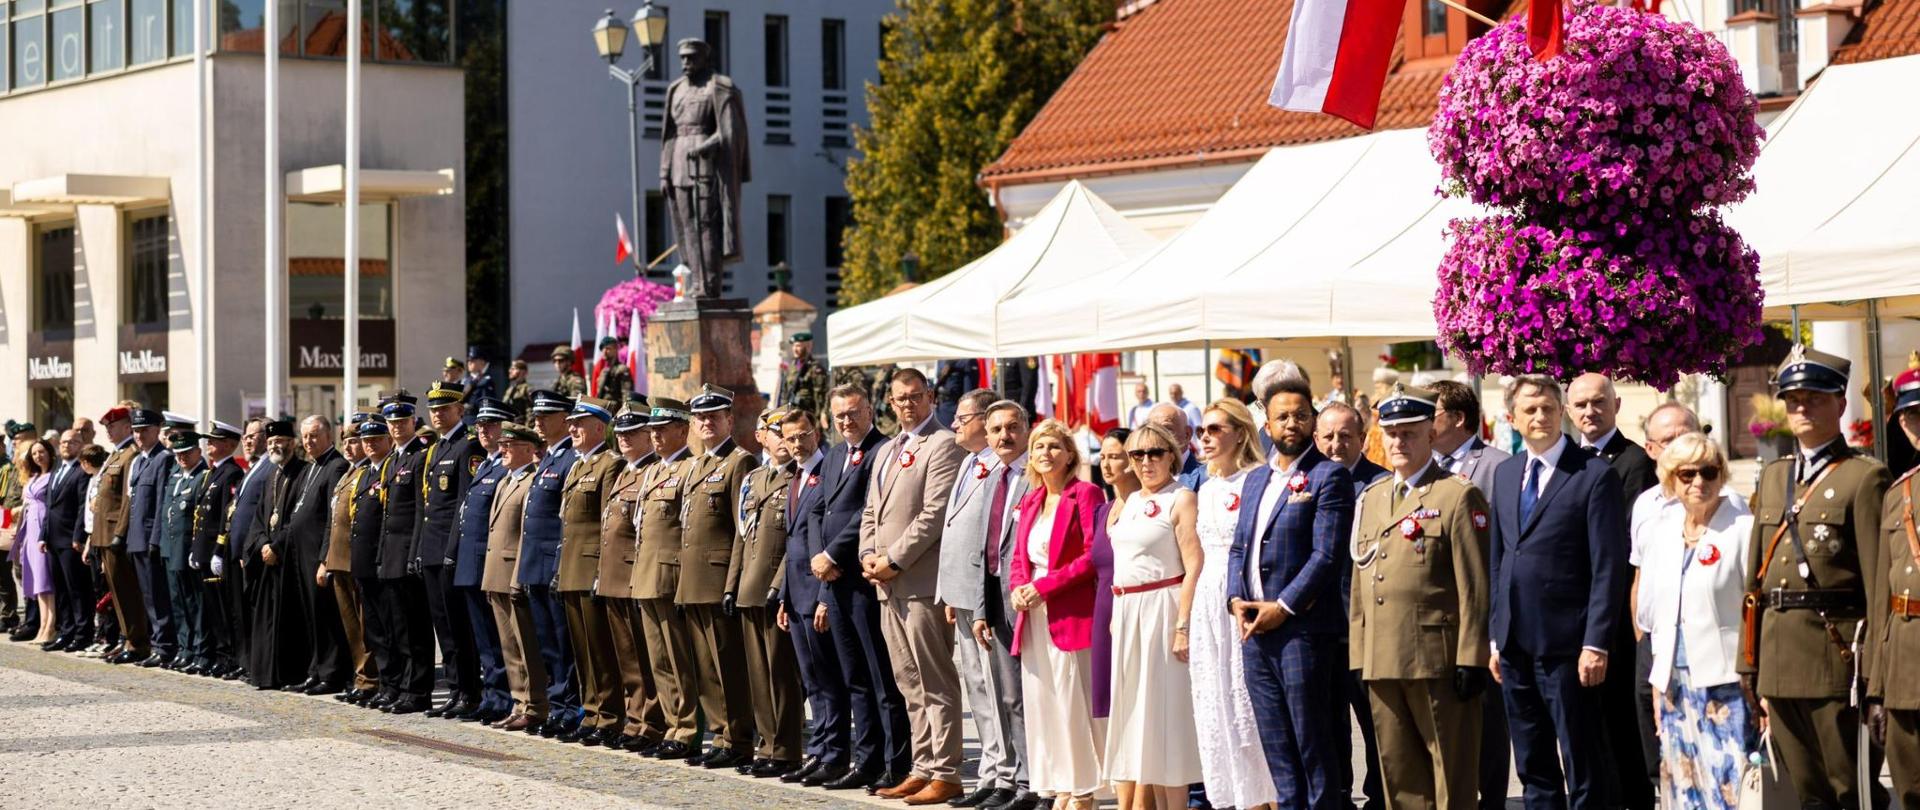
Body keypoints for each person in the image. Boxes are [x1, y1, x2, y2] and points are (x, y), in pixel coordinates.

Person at [1741, 346, 1888, 810]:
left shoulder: (1863, 478)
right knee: (1805, 791)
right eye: (1793, 399)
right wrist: (1750, 662)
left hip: (1835, 659)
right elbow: (1754, 581)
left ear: (1840, 405)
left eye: (1814, 398)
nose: (1801, 408)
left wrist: (1876, 677)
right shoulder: (1774, 477)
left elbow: (1878, 584)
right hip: (1778, 656)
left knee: (1850, 788)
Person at [1488, 375, 1629, 810]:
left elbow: (1608, 566)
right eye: (1529, 410)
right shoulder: (1508, 473)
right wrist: (1496, 636)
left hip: (1568, 646)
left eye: (1548, 408)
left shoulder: (1593, 475)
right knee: (1532, 763)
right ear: (1513, 418)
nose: (1540, 417)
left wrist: (1595, 642)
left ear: (1561, 412)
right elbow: (1498, 558)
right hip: (1514, 646)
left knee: (1582, 760)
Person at [1350, 386, 1493, 810]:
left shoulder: (1456, 494)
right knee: (1399, 775)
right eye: (1391, 433)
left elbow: (1474, 584)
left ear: (1431, 434)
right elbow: (1362, 580)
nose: (1398, 442)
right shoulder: (1373, 497)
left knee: (1451, 774)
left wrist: (1472, 656)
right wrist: (1360, 654)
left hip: (1438, 659)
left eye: (1409, 433)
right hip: (1382, 656)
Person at [1229, 376, 1355, 810]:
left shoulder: (1329, 476)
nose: (1291, 423)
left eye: (1301, 415)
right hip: (1254, 635)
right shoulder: (1254, 480)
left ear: (1313, 421)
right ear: (1265, 422)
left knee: (1313, 744)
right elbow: (1239, 547)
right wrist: (1235, 599)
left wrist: (1282, 607)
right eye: (1282, 416)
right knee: (1277, 745)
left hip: (1302, 631)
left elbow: (1326, 555)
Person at [858, 368, 968, 805]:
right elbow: (872, 511)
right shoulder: (886, 449)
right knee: (908, 683)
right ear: (889, 402)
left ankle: (947, 771)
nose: (907, 404)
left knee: (935, 680)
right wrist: (868, 554)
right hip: (886, 584)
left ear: (930, 396)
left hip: (919, 581)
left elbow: (934, 514)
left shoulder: (943, 444)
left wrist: (893, 559)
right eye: (900, 398)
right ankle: (922, 767)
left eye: (915, 396)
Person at [1632, 433, 1752, 810]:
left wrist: (1758, 681)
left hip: (1728, 681)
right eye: (1687, 474)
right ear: (1670, 480)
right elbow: (1651, 614)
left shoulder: (1742, 528)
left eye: (1708, 472)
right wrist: (1656, 682)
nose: (1699, 482)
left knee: (1731, 785)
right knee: (1684, 785)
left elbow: (1756, 608)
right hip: (1673, 682)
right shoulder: (1661, 532)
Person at [811, 383, 911, 790]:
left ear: (870, 410)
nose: (846, 422)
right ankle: (865, 759)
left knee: (881, 677)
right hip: (833, 582)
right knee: (854, 677)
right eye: (839, 416)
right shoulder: (834, 455)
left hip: (864, 578)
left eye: (853, 413)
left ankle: (895, 761)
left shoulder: (881, 452)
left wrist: (833, 555)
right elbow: (820, 510)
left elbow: (868, 513)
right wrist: (822, 561)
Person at [1104, 423, 1206, 809]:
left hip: (1162, 609)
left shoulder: (1180, 497)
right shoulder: (1128, 502)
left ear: (1171, 455)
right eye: (1137, 454)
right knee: (1139, 721)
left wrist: (1183, 625)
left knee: (1166, 718)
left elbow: (1194, 564)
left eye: (1154, 453)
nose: (1145, 462)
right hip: (1129, 613)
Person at [937, 390, 1030, 809]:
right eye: (995, 429)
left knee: (1004, 691)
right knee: (980, 688)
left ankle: (1012, 772)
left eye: (962, 417)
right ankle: (994, 770)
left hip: (1002, 595)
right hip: (968, 591)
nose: (956, 424)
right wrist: (953, 590)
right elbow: (961, 531)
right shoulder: (976, 464)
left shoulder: (1008, 468)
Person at [1009, 419, 1104, 809]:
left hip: (1068, 608)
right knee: (1042, 701)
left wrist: (1043, 588)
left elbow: (1092, 556)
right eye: (1038, 447)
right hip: (1032, 613)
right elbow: (1019, 557)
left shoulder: (1086, 493)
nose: (1045, 453)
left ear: (1069, 454)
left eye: (1053, 446)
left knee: (1071, 701)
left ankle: (1083, 789)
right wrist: (1019, 588)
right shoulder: (1031, 499)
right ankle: (1060, 783)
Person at [1427, 379, 1512, 809]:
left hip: (1483, 610)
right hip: (1436, 614)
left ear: (1458, 419)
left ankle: (1492, 800)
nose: (1424, 422)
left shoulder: (1497, 466)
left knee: (1490, 722)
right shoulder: (1422, 467)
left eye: (1433, 413)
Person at [1189, 400, 1276, 810]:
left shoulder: (1258, 480)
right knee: (1215, 699)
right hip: (1209, 599)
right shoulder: (1204, 487)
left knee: (1249, 705)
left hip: (1243, 592)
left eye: (1214, 429)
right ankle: (1235, 799)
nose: (1204, 437)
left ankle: (1265, 799)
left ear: (1240, 433)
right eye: (1202, 430)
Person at [677, 384, 760, 768]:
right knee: (706, 668)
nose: (706, 423)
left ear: (729, 419)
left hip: (718, 578)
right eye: (700, 417)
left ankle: (739, 739)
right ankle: (720, 733)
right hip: (692, 580)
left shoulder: (739, 462)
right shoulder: (697, 464)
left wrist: (732, 583)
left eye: (714, 416)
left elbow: (742, 530)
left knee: (728, 667)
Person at [1314, 399, 1389, 809]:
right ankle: (1339, 796)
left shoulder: (1382, 485)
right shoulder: (1305, 482)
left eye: (1346, 436)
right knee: (1327, 724)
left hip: (1366, 628)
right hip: (1317, 626)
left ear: (1363, 438)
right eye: (1329, 436)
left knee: (1375, 722)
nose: (1337, 445)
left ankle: (1379, 797)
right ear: (1316, 439)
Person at [776, 408, 850, 786]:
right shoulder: (795, 477)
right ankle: (819, 750)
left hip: (819, 593)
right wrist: (784, 599)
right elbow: (793, 544)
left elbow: (824, 543)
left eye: (803, 435)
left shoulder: (826, 475)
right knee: (812, 678)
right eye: (790, 438)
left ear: (816, 434)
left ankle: (835, 754)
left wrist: (824, 597)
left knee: (828, 678)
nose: (797, 444)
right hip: (796, 594)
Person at [731, 408, 805, 777]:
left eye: (787, 433)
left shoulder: (800, 479)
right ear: (762, 437)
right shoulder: (754, 478)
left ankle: (787, 748)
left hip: (776, 590)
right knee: (757, 674)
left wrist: (778, 586)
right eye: (775, 433)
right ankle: (766, 744)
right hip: (748, 586)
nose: (782, 440)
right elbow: (741, 539)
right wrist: (731, 586)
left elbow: (795, 543)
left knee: (781, 674)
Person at [552, 396, 626, 747]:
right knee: (582, 650)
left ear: (600, 428)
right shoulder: (577, 466)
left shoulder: (609, 465)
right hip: (570, 567)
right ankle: (592, 710)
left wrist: (600, 570)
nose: (572, 429)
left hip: (592, 566)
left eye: (579, 424)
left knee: (600, 649)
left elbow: (608, 523)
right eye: (571, 424)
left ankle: (610, 716)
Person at [632, 397, 702, 761]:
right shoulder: (654, 471)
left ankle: (688, 728)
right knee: (658, 658)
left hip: (671, 574)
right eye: (652, 431)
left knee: (679, 657)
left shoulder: (690, 469)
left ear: (681, 430)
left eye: (662, 431)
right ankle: (672, 724)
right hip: (645, 572)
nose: (655, 437)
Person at [415, 381, 486, 720]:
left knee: (460, 627)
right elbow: (428, 504)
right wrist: (421, 548)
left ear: (460, 410)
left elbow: (463, 503)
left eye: (445, 408)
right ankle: (455, 689)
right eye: (434, 409)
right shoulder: (436, 448)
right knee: (443, 628)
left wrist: (452, 550)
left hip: (450, 550)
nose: (438, 415)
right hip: (431, 547)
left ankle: (470, 691)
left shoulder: (467, 446)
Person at [597, 401, 666, 751]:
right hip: (613, 574)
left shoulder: (652, 471)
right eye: (620, 432)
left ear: (648, 435)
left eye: (631, 432)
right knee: (625, 656)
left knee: (643, 656)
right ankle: (634, 717)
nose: (623, 438)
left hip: (635, 574)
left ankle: (651, 722)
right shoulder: (624, 471)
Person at [517, 390, 583, 734]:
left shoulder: (571, 459)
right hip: (535, 564)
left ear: (565, 420)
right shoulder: (547, 459)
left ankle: (570, 709)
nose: (538, 421)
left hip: (554, 563)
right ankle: (557, 705)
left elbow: (565, 520)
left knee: (562, 643)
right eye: (537, 416)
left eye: (546, 416)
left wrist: (559, 563)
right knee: (546, 643)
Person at [1872, 364, 1920, 808]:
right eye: (1914, 416)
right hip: (1905, 661)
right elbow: (1882, 596)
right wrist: (1877, 685)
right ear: (1903, 424)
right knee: (1910, 788)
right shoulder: (1896, 494)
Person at [451, 399, 516, 724]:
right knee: (484, 640)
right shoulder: (487, 464)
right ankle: (492, 695)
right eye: (481, 425)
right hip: (472, 562)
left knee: (497, 635)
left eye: (491, 425)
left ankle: (502, 696)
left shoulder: (505, 466)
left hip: (489, 562)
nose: (484, 430)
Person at [484, 421, 549, 732]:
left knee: (525, 645)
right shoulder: (505, 481)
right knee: (509, 646)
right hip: (496, 571)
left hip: (514, 572)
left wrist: (519, 574)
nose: (503, 450)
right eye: (503, 445)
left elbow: (526, 534)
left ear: (528, 449)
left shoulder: (530, 481)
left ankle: (535, 704)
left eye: (510, 446)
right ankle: (518, 702)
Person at [283, 415, 351, 695]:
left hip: (318, 556)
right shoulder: (311, 467)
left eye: (314, 436)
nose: (308, 442)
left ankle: (332, 673)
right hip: (302, 554)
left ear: (328, 436)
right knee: (311, 616)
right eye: (305, 436)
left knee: (325, 617)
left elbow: (331, 518)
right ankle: (315, 669)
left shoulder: (335, 466)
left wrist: (325, 558)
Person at [247, 420, 310, 689]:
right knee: (266, 618)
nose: (275, 446)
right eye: (271, 442)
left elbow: (298, 518)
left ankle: (288, 674)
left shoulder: (303, 472)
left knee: (288, 620)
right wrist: (262, 542)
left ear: (292, 444)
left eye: (280, 441)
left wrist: (277, 546)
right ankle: (265, 674)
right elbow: (260, 517)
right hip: (268, 558)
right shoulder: (272, 475)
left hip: (288, 558)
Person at [327, 418, 383, 704]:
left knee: (365, 625)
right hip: (338, 558)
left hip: (357, 558)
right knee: (351, 625)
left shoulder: (370, 473)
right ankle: (361, 677)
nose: (350, 447)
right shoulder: (349, 473)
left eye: (355, 440)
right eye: (346, 441)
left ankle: (370, 679)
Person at [91, 406, 149, 664]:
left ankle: (137, 642)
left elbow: (127, 499)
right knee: (117, 593)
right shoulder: (116, 454)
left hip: (116, 533)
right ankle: (127, 639)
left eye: (112, 426)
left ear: (127, 427)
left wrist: (120, 534)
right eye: (107, 427)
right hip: (103, 532)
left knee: (127, 591)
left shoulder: (130, 455)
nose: (108, 431)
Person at [1090, 427, 1137, 723]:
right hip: (1103, 609)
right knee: (1110, 699)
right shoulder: (1102, 511)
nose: (1106, 464)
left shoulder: (1147, 506)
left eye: (1115, 457)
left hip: (1136, 607)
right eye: (1102, 457)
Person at [156, 432, 205, 672]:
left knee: (193, 603)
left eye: (187, 453)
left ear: (198, 451)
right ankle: (185, 649)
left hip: (187, 550)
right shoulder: (176, 476)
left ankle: (198, 651)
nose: (182, 458)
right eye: (178, 454)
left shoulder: (201, 476)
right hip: (170, 548)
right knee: (177, 603)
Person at [14, 439, 56, 643]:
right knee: (36, 580)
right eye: (34, 453)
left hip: (43, 526)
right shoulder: (34, 476)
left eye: (41, 452)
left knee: (45, 578)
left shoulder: (53, 476)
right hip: (29, 529)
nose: (38, 456)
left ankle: (51, 625)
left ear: (49, 452)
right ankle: (42, 625)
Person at [777, 333, 831, 433]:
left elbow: (821, 397)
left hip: (808, 415)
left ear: (808, 346)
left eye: (798, 345)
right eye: (793, 346)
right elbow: (785, 392)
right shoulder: (791, 367)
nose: (794, 349)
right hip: (791, 414)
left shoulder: (815, 368)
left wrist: (820, 417)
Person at [1149, 403, 1208, 491]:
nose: (1158, 436)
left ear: (1187, 434)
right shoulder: (1142, 477)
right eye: (1153, 430)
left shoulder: (1206, 478)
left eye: (1167, 429)